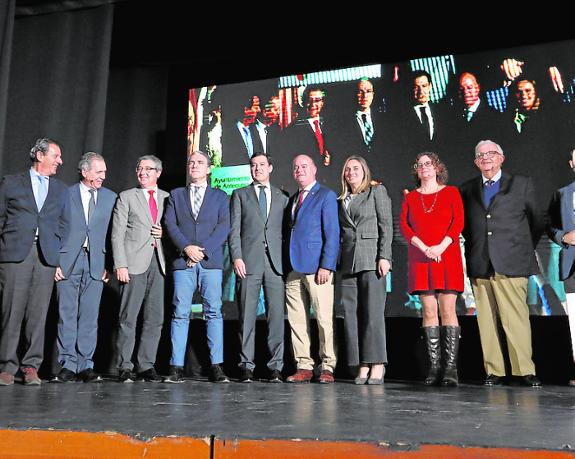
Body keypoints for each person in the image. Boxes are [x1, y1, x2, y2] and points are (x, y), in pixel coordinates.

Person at [459, 140, 544, 387]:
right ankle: (494, 370)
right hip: (480, 262)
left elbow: (537, 222)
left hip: (512, 262)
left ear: (501, 158)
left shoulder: (521, 184)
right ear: (475, 162)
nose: (486, 157)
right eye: (480, 155)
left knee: (516, 318)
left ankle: (523, 370)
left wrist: (520, 247)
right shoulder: (467, 189)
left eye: (491, 153)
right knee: (486, 320)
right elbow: (467, 227)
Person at [0, 138, 67, 386]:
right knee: (11, 311)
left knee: (38, 314)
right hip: (15, 254)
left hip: (45, 257)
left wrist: (57, 256)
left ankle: (31, 367)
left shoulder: (60, 189)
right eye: (56, 156)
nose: (60, 161)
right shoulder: (11, 182)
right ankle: (6, 366)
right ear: (40, 155)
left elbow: (64, 224)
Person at [164, 151, 231, 383]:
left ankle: (216, 366)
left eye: (200, 162)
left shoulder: (220, 196)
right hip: (183, 262)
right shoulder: (176, 195)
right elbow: (170, 224)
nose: (194, 165)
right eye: (191, 162)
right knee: (180, 313)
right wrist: (186, 248)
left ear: (209, 169)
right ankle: (176, 366)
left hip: (209, 261)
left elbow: (224, 226)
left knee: (213, 312)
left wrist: (202, 251)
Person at [399, 153, 464, 386]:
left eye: (428, 163)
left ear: (437, 167)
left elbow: (458, 222)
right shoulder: (410, 197)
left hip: (447, 256)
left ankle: (450, 369)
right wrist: (425, 248)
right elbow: (405, 226)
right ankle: (435, 367)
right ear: (416, 170)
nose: (424, 167)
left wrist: (440, 247)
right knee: (428, 311)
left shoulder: (451, 192)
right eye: (420, 165)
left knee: (448, 309)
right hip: (421, 257)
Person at [51, 152, 116, 383]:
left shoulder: (110, 197)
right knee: (66, 314)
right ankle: (68, 364)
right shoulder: (65, 194)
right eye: (99, 172)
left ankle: (86, 364)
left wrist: (110, 266)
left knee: (90, 315)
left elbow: (114, 234)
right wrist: (55, 262)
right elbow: (54, 228)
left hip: (96, 262)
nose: (103, 176)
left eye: (104, 172)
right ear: (84, 171)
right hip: (68, 261)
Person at [229, 152, 288, 382]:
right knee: (246, 315)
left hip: (275, 264)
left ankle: (276, 366)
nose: (257, 169)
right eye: (253, 165)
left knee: (276, 316)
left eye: (262, 164)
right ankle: (246, 365)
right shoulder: (240, 194)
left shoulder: (282, 196)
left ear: (270, 168)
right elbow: (234, 230)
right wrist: (237, 257)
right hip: (248, 262)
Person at [112, 155, 169, 383]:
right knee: (128, 317)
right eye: (139, 168)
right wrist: (120, 264)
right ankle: (125, 365)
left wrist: (164, 233)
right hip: (133, 264)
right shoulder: (126, 197)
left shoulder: (168, 198)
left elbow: (174, 228)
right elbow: (117, 234)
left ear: (158, 173)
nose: (142, 172)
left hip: (159, 263)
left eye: (148, 169)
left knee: (155, 318)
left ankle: (146, 365)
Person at [285, 154, 339, 383]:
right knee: (296, 320)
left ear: (314, 170)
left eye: (304, 166)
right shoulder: (293, 199)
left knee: (324, 319)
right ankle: (304, 365)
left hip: (318, 269)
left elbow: (332, 233)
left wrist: (326, 265)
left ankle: (327, 366)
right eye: (296, 167)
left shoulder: (326, 195)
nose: (299, 170)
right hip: (293, 269)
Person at [338, 155, 392, 385]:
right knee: (351, 316)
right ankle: (361, 363)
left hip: (372, 260)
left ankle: (377, 363)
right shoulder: (342, 199)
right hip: (348, 263)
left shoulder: (376, 191)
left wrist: (385, 256)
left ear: (364, 171)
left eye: (356, 168)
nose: (351, 172)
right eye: (347, 169)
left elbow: (386, 225)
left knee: (373, 313)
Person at [547, 147, 575, 386]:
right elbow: (551, 226)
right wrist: (563, 237)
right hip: (572, 265)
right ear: (571, 164)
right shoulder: (562, 194)